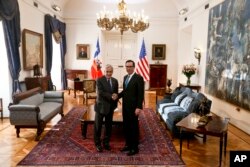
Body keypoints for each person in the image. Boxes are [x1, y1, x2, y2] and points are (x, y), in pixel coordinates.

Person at [118, 60, 144, 156]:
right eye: (127, 66)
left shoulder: (139, 78)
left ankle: (134, 148)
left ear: (134, 67)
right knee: (126, 126)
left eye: (130, 66)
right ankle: (128, 145)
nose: (128, 68)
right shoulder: (125, 77)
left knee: (134, 127)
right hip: (125, 107)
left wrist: (138, 107)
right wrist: (117, 96)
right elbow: (125, 91)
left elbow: (141, 94)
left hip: (134, 108)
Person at [94, 64, 119, 152]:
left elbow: (116, 93)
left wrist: (116, 98)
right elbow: (101, 92)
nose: (109, 73)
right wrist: (111, 96)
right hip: (101, 107)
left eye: (110, 72)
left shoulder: (115, 81)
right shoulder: (99, 80)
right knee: (98, 126)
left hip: (110, 107)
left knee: (108, 126)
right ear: (104, 72)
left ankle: (106, 143)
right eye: (107, 71)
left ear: (112, 72)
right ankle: (97, 143)